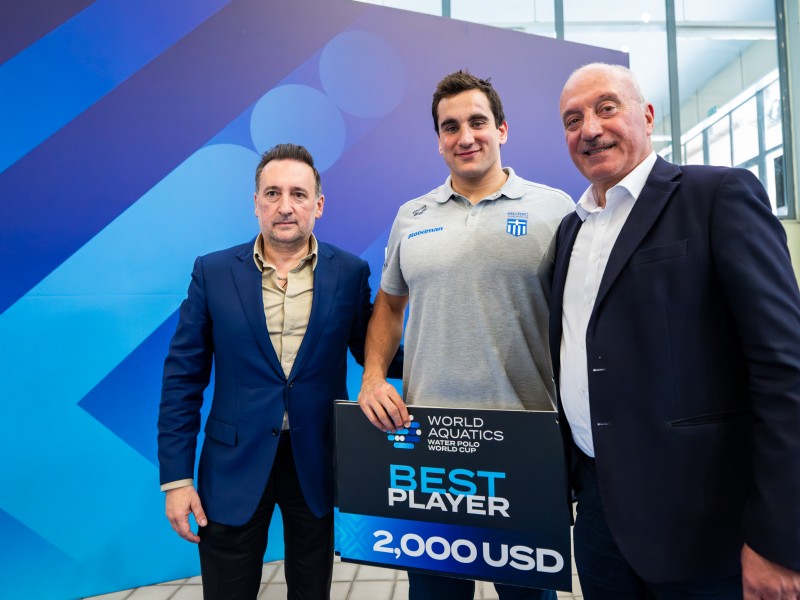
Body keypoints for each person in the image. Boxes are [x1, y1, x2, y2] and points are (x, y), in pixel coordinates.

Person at [549, 62, 800, 599]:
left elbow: (787, 373)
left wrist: (778, 541)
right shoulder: (570, 230)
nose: (590, 129)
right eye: (573, 119)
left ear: (647, 116)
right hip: (601, 514)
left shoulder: (716, 196)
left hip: (702, 522)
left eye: (607, 108)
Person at [357, 71, 573, 600]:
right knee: (435, 594)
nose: (465, 136)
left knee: (527, 596)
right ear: (438, 140)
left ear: (502, 129)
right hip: (430, 446)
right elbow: (389, 305)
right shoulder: (411, 216)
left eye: (478, 122)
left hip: (523, 443)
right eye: (450, 126)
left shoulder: (556, 210)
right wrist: (373, 377)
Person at [158, 143, 394, 600]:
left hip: (315, 459)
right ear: (256, 203)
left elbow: (374, 351)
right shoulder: (213, 272)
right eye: (273, 193)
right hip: (233, 463)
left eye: (298, 194)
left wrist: (447, 348)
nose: (285, 206)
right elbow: (182, 379)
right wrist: (177, 480)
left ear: (318, 205)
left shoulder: (349, 273)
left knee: (311, 590)